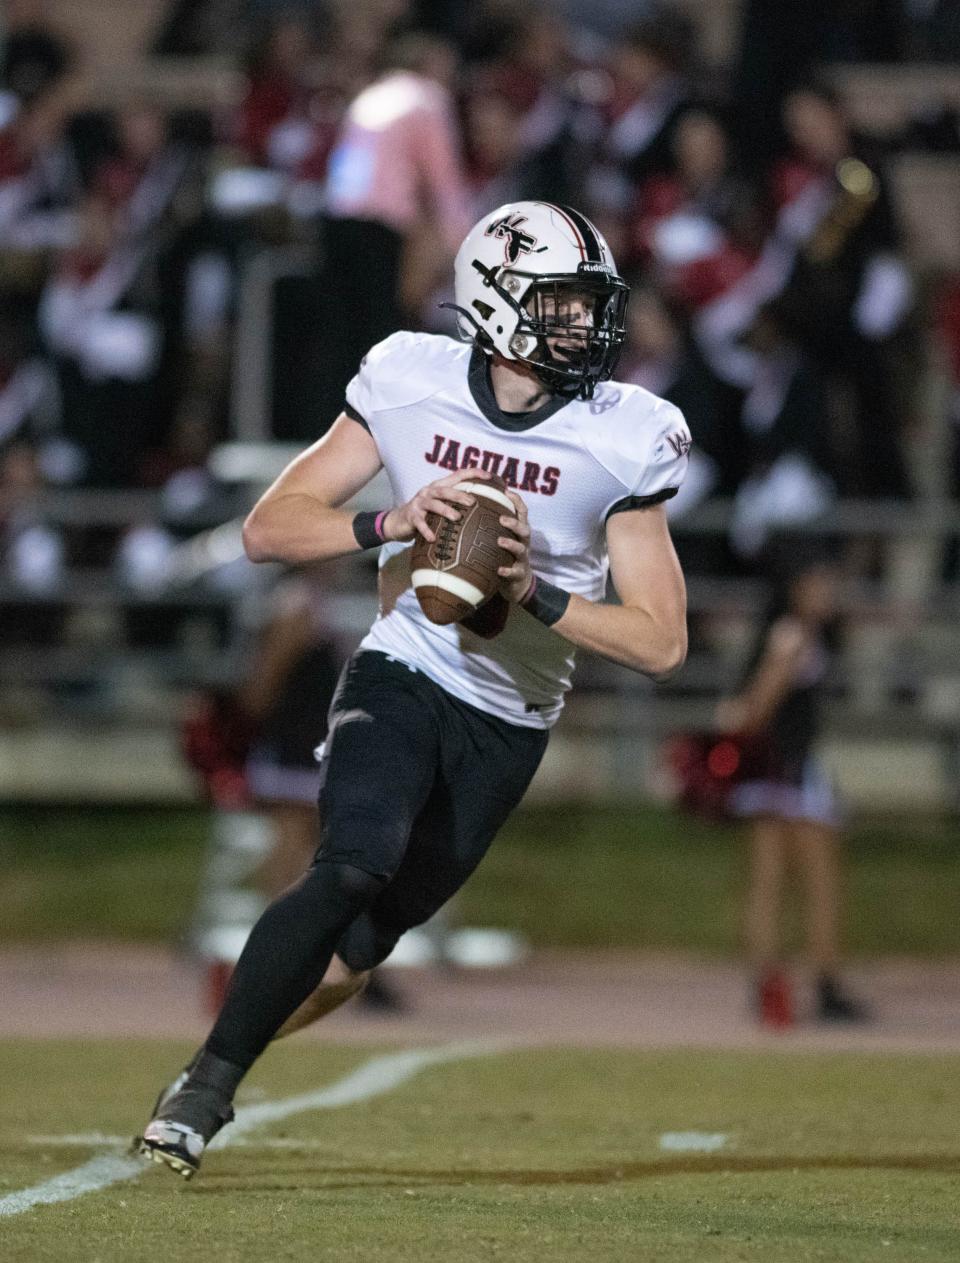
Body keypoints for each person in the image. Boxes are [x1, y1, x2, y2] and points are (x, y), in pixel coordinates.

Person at [137, 199, 690, 1178]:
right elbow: (272, 529)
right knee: (351, 862)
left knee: (361, 948)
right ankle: (205, 1090)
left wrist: (532, 594)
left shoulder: (624, 434)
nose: (584, 325)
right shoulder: (408, 378)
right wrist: (391, 524)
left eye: (586, 305)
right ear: (497, 299)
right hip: (405, 665)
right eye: (561, 304)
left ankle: (210, 1056)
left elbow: (658, 644)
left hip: (512, 720)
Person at [716, 547, 869, 1025]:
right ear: (795, 587)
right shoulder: (791, 635)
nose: (828, 591)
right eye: (818, 582)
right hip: (788, 770)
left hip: (776, 772)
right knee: (814, 883)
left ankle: (771, 989)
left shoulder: (800, 633)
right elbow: (754, 711)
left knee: (771, 882)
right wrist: (775, 677)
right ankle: (820, 986)